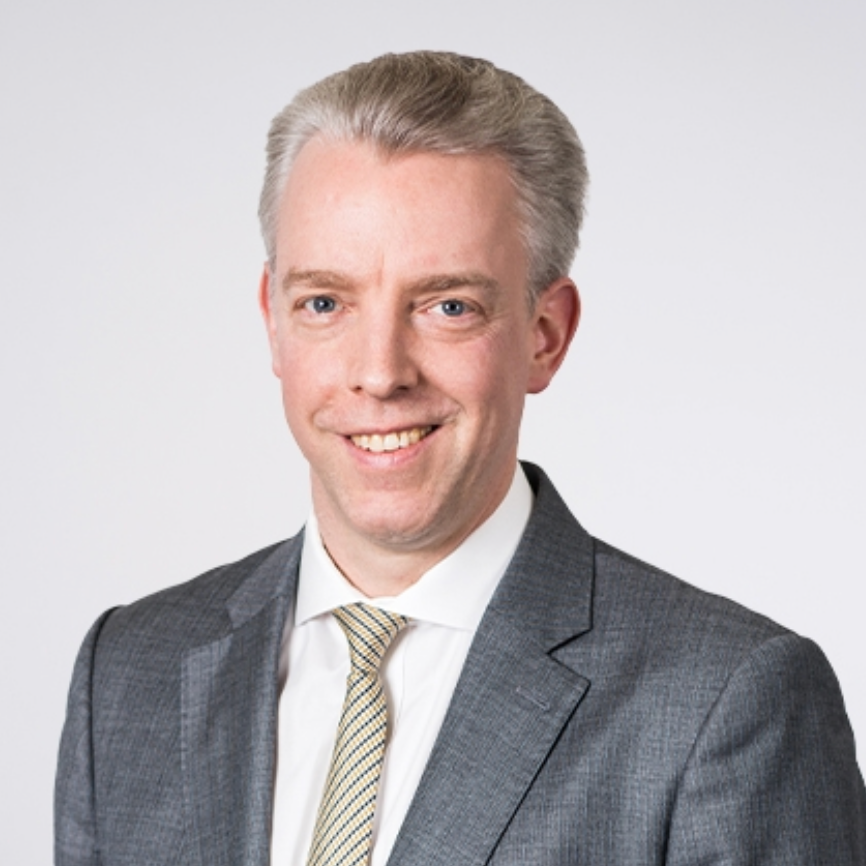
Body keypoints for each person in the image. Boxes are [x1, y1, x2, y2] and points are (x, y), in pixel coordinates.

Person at [55, 51, 865, 866]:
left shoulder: (726, 702)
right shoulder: (128, 671)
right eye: (325, 302)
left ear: (545, 335)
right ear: (273, 319)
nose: (380, 373)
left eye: (448, 306)